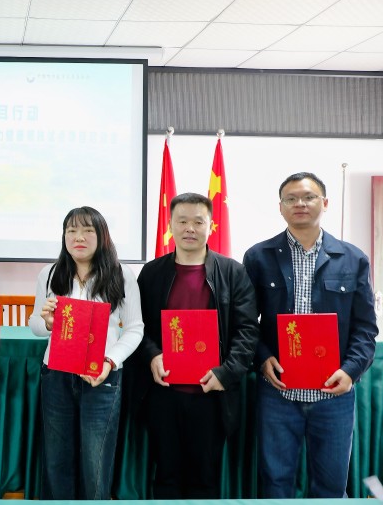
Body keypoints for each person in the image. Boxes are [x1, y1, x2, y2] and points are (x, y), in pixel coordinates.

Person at [243, 172, 378, 498]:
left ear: (325, 203)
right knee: (275, 484)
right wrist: (263, 359)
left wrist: (350, 371)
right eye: (291, 199)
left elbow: (365, 328)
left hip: (333, 395)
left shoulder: (353, 258)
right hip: (278, 393)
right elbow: (245, 322)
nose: (299, 204)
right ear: (280, 207)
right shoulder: (258, 257)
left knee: (330, 487)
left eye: (308, 197)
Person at [136, 192, 259, 499]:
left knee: (205, 479)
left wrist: (225, 373)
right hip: (164, 392)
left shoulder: (233, 272)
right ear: (170, 225)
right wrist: (152, 355)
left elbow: (247, 331)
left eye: (198, 222)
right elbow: (138, 327)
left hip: (212, 394)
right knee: (166, 475)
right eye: (182, 221)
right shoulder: (151, 273)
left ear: (211, 225)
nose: (189, 228)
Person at [28, 206, 144, 499]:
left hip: (102, 377)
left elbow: (135, 328)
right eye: (72, 231)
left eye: (87, 230)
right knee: (57, 459)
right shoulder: (50, 273)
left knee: (96, 462)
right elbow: (35, 326)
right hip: (56, 375)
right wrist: (48, 322)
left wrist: (109, 361)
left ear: (102, 235)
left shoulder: (121, 275)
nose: (78, 237)